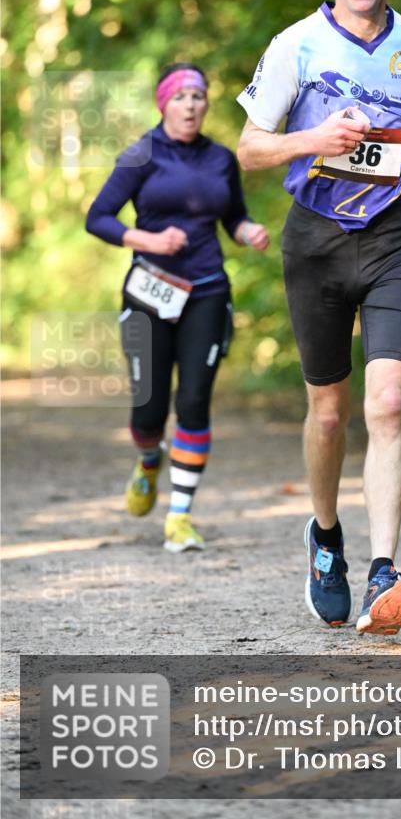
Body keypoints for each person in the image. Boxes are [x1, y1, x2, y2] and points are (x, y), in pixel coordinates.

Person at [236, 0, 401, 634]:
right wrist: (315, 138)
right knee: (329, 412)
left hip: (396, 236)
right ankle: (327, 538)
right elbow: (247, 148)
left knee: (389, 405)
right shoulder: (294, 46)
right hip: (316, 241)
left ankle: (383, 570)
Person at [86, 63, 269, 552]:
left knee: (192, 402)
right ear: (163, 103)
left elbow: (234, 214)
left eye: (199, 96)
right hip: (149, 291)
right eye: (182, 96)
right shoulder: (140, 154)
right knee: (149, 410)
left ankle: (180, 517)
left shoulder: (220, 158)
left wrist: (246, 232)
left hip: (207, 290)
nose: (192, 104)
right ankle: (149, 460)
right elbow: (97, 218)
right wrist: (146, 238)